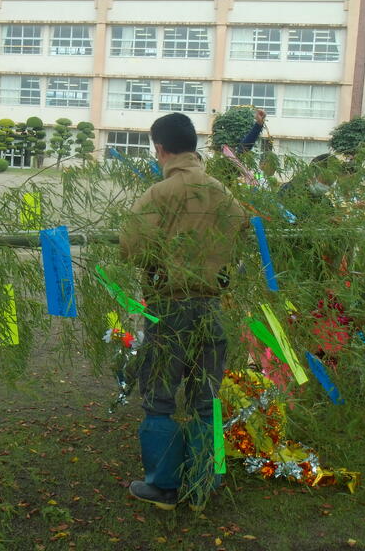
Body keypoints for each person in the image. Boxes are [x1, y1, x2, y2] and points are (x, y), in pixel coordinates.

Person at [120, 113, 248, 511]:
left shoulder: (160, 193)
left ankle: (163, 487)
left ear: (160, 148)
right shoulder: (224, 194)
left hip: (170, 308)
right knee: (206, 398)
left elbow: (131, 248)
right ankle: (204, 482)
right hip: (211, 308)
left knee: (160, 397)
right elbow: (241, 235)